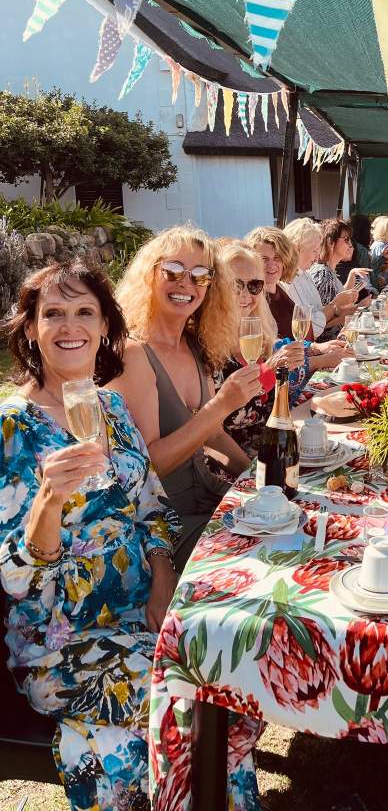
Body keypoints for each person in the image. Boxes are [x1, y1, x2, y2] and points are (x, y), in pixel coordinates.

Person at [0, 261, 191, 811]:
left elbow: (152, 506)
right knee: (192, 702)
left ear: (105, 325)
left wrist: (162, 578)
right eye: (53, 314)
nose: (70, 326)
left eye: (85, 311)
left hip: (138, 616)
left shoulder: (111, 407)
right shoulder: (12, 425)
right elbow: (13, 576)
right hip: (59, 642)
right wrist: (48, 501)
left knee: (215, 688)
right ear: (31, 328)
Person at [112, 226, 266, 567]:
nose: (186, 283)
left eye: (200, 275)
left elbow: (212, 435)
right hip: (164, 524)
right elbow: (151, 464)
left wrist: (260, 478)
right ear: (149, 276)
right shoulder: (133, 354)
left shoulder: (194, 344)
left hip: (207, 495)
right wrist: (221, 405)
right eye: (173, 271)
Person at [217, 242, 305, 458]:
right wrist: (269, 371)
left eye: (254, 285)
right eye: (236, 285)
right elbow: (224, 421)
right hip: (240, 460)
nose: (246, 294)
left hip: (277, 443)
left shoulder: (259, 334)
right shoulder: (208, 346)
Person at [246, 226, 349, 385]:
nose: (272, 265)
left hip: (299, 374)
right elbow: (274, 356)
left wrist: (316, 347)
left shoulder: (280, 288)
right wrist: (323, 359)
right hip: (281, 385)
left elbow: (290, 342)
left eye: (277, 258)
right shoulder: (252, 300)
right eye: (264, 259)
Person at [283, 218, 357, 340]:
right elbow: (310, 328)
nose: (318, 255)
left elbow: (319, 313)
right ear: (297, 248)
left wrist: (346, 308)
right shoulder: (290, 279)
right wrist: (335, 304)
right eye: (314, 250)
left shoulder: (304, 275)